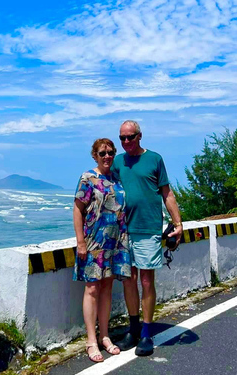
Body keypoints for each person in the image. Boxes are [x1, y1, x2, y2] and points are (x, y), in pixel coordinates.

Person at [112, 120, 182, 356]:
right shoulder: (118, 162)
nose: (125, 142)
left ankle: (146, 333)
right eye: (122, 138)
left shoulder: (154, 159)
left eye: (129, 137)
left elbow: (167, 192)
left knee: (146, 281)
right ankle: (133, 329)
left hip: (147, 229)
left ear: (139, 136)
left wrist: (178, 223)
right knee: (129, 280)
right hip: (123, 230)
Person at [73, 138, 132, 363]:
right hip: (93, 242)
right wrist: (81, 242)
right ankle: (91, 340)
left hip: (114, 243)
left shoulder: (116, 180)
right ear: (94, 155)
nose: (106, 156)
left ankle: (105, 336)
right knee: (92, 290)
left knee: (107, 288)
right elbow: (78, 210)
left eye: (110, 152)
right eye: (102, 153)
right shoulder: (88, 178)